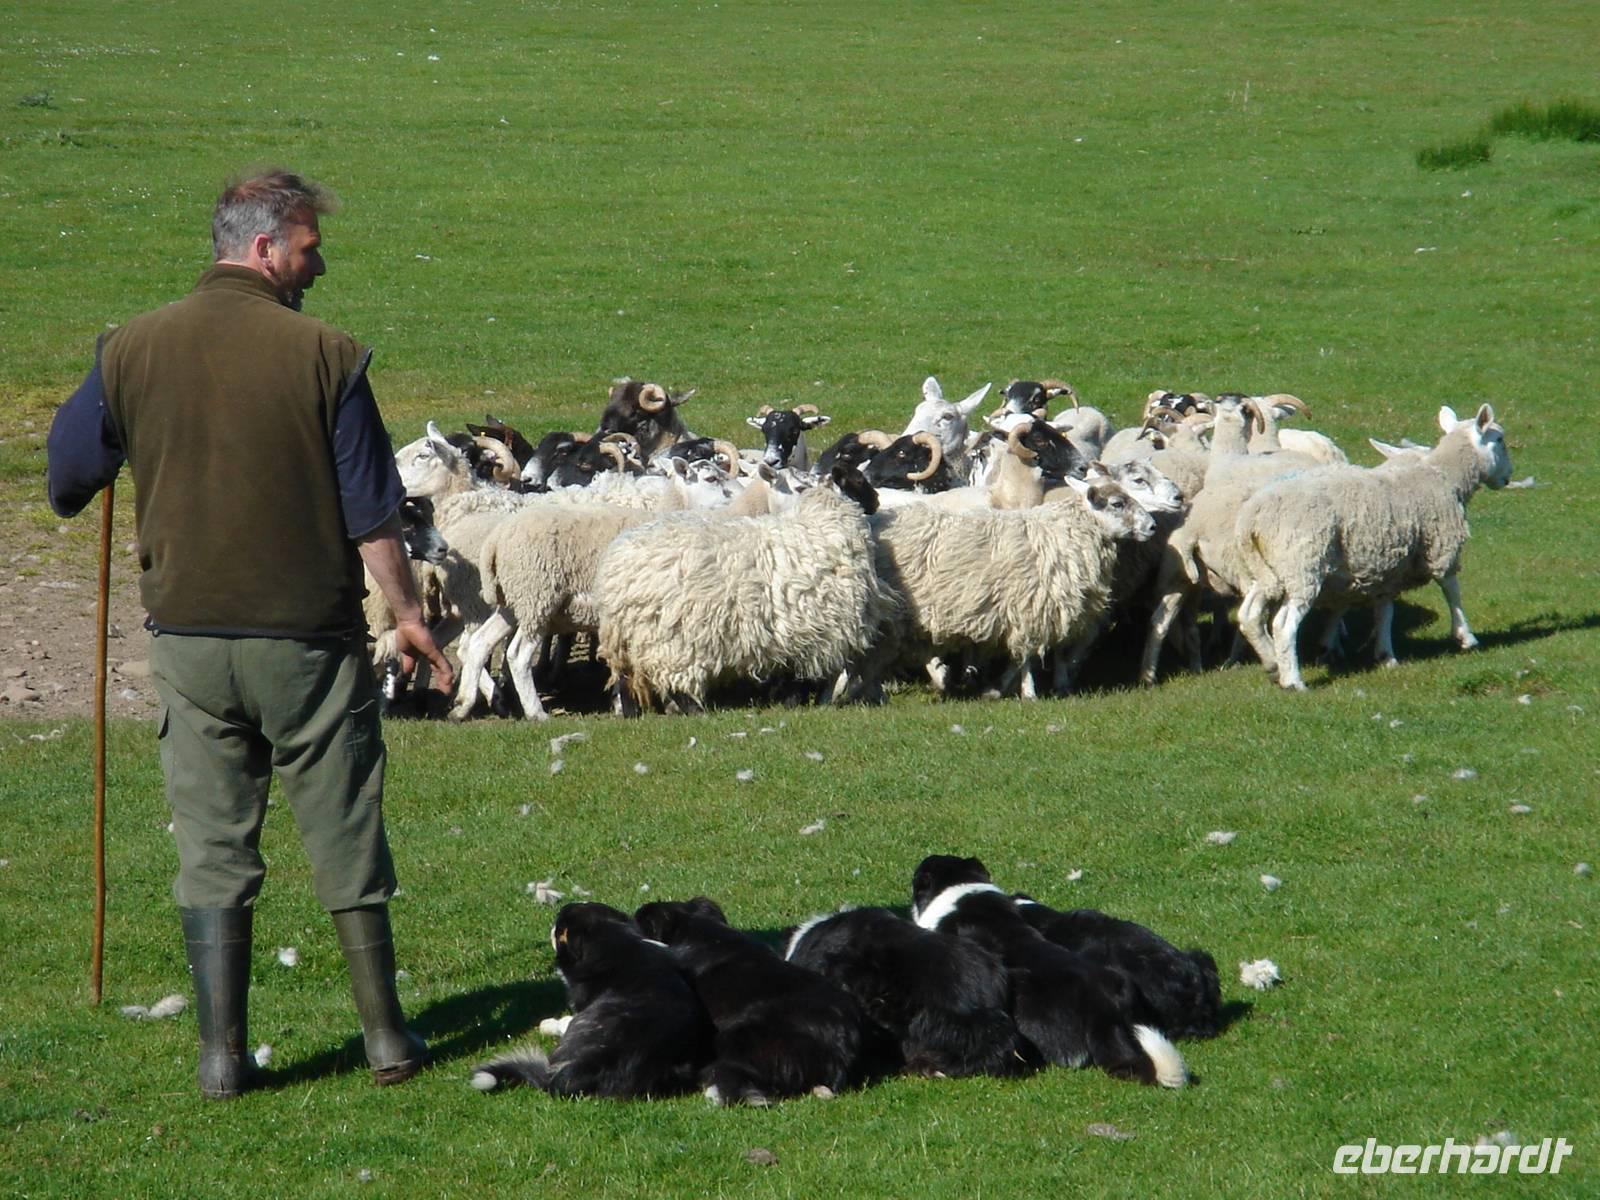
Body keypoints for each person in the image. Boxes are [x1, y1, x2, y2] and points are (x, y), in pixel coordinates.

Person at [46, 168, 455, 1099]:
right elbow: (373, 516)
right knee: (344, 829)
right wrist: (407, 616)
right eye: (310, 247)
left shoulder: (130, 349)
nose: (321, 264)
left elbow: (69, 479)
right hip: (306, 643)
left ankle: (222, 1057)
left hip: (188, 643)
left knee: (213, 844)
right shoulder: (329, 355)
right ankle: (388, 1039)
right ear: (266, 247)